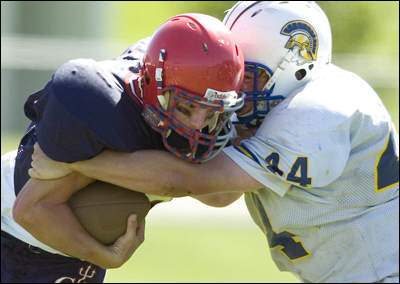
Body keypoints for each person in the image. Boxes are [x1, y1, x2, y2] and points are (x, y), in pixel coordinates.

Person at [30, 1, 399, 283]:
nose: (233, 90)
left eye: (247, 77)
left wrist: (76, 160)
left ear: (295, 67)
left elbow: (198, 182)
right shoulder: (281, 99)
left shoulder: (319, 112)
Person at [1, 13, 245, 283]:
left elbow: (218, 193)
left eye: (211, 112)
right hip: (16, 236)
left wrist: (80, 163)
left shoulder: (206, 101)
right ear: (155, 86)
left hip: (64, 248)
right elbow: (30, 211)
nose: (199, 125)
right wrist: (106, 256)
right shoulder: (102, 106)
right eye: (187, 107)